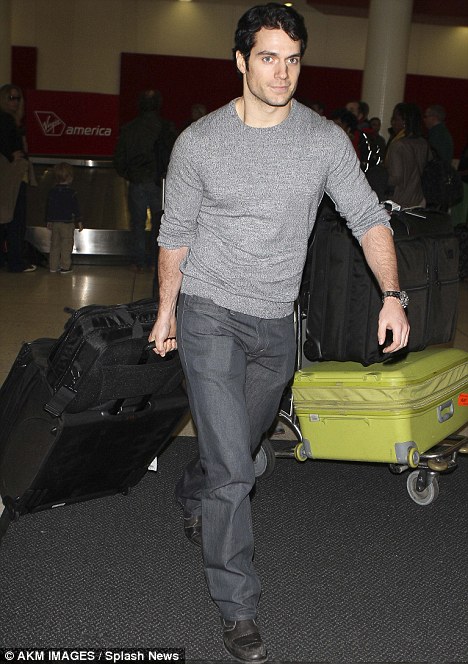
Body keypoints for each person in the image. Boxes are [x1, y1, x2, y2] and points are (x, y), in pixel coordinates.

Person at [149, 4, 410, 662]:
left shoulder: (323, 141)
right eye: (269, 58)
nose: (282, 73)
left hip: (275, 323)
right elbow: (175, 234)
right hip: (209, 311)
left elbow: (367, 217)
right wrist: (167, 309)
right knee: (235, 470)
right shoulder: (200, 144)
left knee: (240, 448)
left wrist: (392, 295)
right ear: (241, 61)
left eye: (293, 60)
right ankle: (238, 607)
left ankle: (196, 488)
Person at [114, 89, 177, 272]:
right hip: (158, 181)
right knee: (159, 224)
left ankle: (138, 261)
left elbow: (119, 158)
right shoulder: (165, 127)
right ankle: (155, 261)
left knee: (137, 224)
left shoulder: (130, 128)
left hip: (137, 180)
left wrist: (129, 174)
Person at [0, 84, 36, 273]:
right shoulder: (6, 119)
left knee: (7, 217)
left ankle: (9, 259)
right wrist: (11, 154)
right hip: (12, 175)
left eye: (17, 98)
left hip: (9, 174)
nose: (14, 102)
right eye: (10, 98)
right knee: (15, 219)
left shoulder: (11, 120)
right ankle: (15, 261)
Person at [385, 102, 431, 208]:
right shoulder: (423, 143)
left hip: (399, 200)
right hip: (419, 199)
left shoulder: (398, 145)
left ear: (405, 122)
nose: (392, 123)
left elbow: (396, 177)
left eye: (395, 119)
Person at [46, 162, 82, 274]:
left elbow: (49, 207)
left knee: (55, 244)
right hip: (67, 223)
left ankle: (53, 266)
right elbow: (75, 208)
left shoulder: (52, 192)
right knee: (66, 245)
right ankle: (65, 266)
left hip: (55, 223)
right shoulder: (71, 193)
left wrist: (49, 220)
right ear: (70, 177)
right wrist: (79, 221)